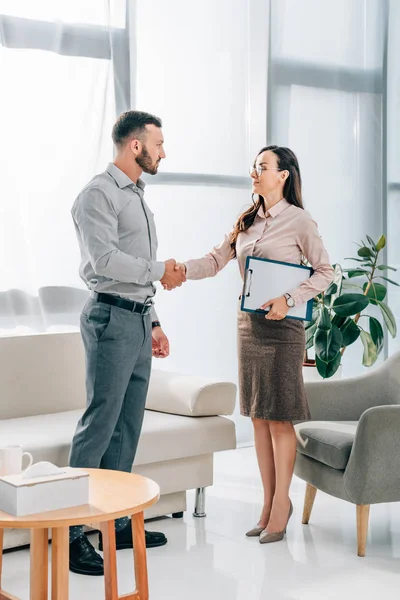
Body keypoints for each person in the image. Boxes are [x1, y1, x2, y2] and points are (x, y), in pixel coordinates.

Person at [172, 146, 333, 544]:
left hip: (283, 329)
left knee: (280, 417)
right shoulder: (245, 220)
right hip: (249, 327)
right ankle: (268, 504)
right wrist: (179, 271)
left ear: (284, 175)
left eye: (263, 167)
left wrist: (289, 299)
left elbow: (326, 272)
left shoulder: (300, 222)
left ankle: (282, 505)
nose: (255, 173)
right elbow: (215, 260)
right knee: (259, 416)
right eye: (254, 167)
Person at [68, 110, 186, 576]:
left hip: (136, 321)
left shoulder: (137, 196)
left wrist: (153, 321)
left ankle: (115, 523)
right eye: (158, 143)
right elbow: (107, 261)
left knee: (126, 427)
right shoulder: (98, 195)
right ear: (135, 145)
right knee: (100, 424)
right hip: (109, 319)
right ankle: (73, 533)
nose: (163, 152)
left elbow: (136, 268)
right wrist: (162, 270)